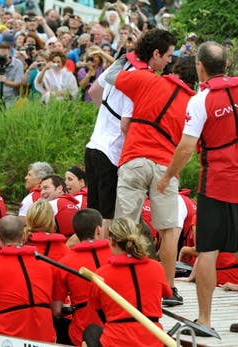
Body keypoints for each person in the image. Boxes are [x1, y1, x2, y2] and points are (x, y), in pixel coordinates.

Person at [157, 41, 238, 332]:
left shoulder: (200, 100)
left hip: (218, 183)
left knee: (208, 250)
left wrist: (167, 176)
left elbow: (186, 147)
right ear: (227, 66)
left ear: (200, 67)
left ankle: (204, 319)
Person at [108, 48, 197, 306]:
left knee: (124, 223)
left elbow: (111, 77)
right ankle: (168, 289)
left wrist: (126, 56)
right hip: (165, 167)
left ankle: (120, 283)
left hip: (134, 158)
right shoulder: (193, 103)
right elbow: (191, 148)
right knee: (168, 229)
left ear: (174, 70)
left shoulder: (149, 79)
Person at [85, 29, 172, 238]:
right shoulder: (141, 79)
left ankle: (90, 256)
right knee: (108, 217)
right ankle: (105, 264)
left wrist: (106, 118)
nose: (169, 62)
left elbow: (94, 91)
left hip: (94, 146)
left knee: (93, 213)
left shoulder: (122, 65)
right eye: (168, 56)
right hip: (112, 153)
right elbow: (126, 124)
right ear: (156, 54)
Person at [82, 217, 171, 347]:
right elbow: (166, 294)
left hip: (117, 341)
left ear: (111, 242)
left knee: (92, 331)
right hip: (153, 339)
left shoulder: (102, 274)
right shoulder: (156, 267)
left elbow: (98, 309)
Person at [53, 208, 111, 346]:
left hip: (81, 333)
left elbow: (56, 309)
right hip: (118, 330)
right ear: (98, 230)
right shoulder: (115, 254)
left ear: (76, 233)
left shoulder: (64, 263)